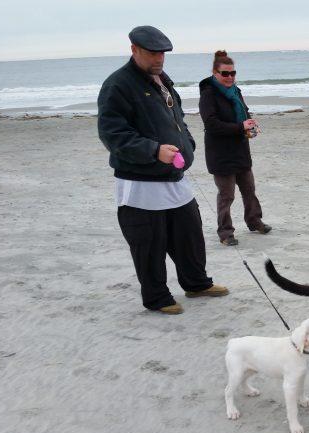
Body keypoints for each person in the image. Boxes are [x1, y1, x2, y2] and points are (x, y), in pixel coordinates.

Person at [97, 26, 229, 315]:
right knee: (148, 242)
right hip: (140, 181)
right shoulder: (117, 85)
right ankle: (157, 297)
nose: (159, 58)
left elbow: (177, 119)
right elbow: (112, 134)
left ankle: (196, 283)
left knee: (189, 233)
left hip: (174, 175)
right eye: (152, 53)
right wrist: (154, 150)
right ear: (134, 50)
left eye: (162, 53)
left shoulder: (162, 80)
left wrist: (188, 143)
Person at [199, 50, 271, 247]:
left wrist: (250, 123)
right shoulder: (208, 94)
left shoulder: (236, 91)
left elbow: (244, 112)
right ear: (215, 73)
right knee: (227, 195)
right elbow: (211, 124)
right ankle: (225, 233)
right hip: (220, 153)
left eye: (233, 73)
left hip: (239, 149)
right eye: (225, 73)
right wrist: (240, 127)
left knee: (249, 189)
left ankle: (255, 221)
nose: (230, 77)